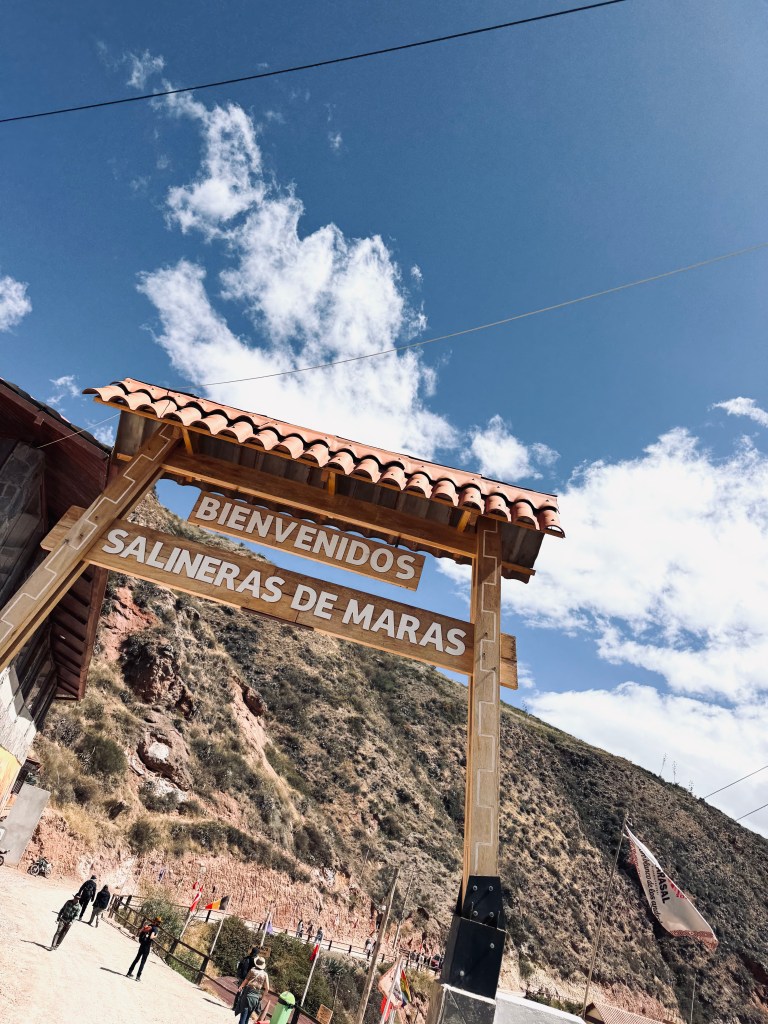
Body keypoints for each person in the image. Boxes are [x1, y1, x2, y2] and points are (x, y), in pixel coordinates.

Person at [235, 954, 269, 1024]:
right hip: (256, 996)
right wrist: (262, 997)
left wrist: (241, 987)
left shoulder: (252, 970)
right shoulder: (265, 974)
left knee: (243, 1016)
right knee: (247, 1017)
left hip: (248, 993)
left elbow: (246, 980)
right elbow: (267, 989)